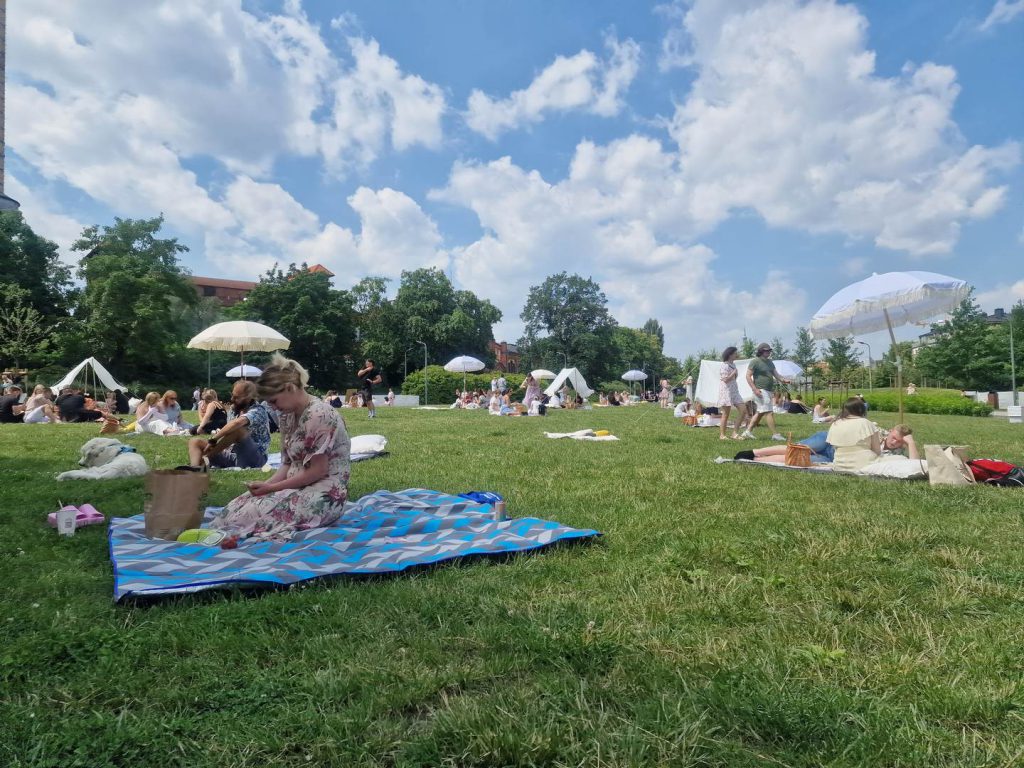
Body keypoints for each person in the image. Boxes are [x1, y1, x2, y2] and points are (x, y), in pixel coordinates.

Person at [205, 354, 350, 545]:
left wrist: (272, 488)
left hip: (322, 491)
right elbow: (287, 463)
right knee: (233, 512)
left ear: (290, 388)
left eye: (273, 401)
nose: (273, 407)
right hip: (296, 484)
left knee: (257, 518)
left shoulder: (319, 414)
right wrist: (264, 487)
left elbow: (318, 471)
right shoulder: (287, 415)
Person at [186, 380, 272, 470]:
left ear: (249, 397)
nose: (232, 399)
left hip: (255, 459)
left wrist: (214, 439)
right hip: (232, 456)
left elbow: (237, 423)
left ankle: (206, 459)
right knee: (195, 442)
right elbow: (228, 435)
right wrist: (214, 446)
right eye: (232, 395)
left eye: (236, 397)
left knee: (238, 430)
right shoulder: (233, 410)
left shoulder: (258, 410)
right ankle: (195, 469)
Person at [743, 343, 788, 440]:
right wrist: (754, 389)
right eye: (766, 350)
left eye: (769, 350)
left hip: (768, 390)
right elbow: (748, 376)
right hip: (760, 390)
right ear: (761, 351)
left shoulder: (770, 362)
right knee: (769, 412)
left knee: (760, 412)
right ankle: (775, 434)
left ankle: (747, 431)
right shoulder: (755, 361)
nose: (768, 352)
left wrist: (784, 380)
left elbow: (776, 375)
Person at [717, 347, 745, 441]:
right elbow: (725, 379)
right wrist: (734, 372)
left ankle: (735, 433)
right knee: (726, 414)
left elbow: (733, 379)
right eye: (735, 353)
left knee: (743, 410)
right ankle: (722, 435)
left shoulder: (733, 364)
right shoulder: (724, 365)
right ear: (730, 354)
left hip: (734, 391)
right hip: (726, 391)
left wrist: (734, 373)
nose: (736, 355)